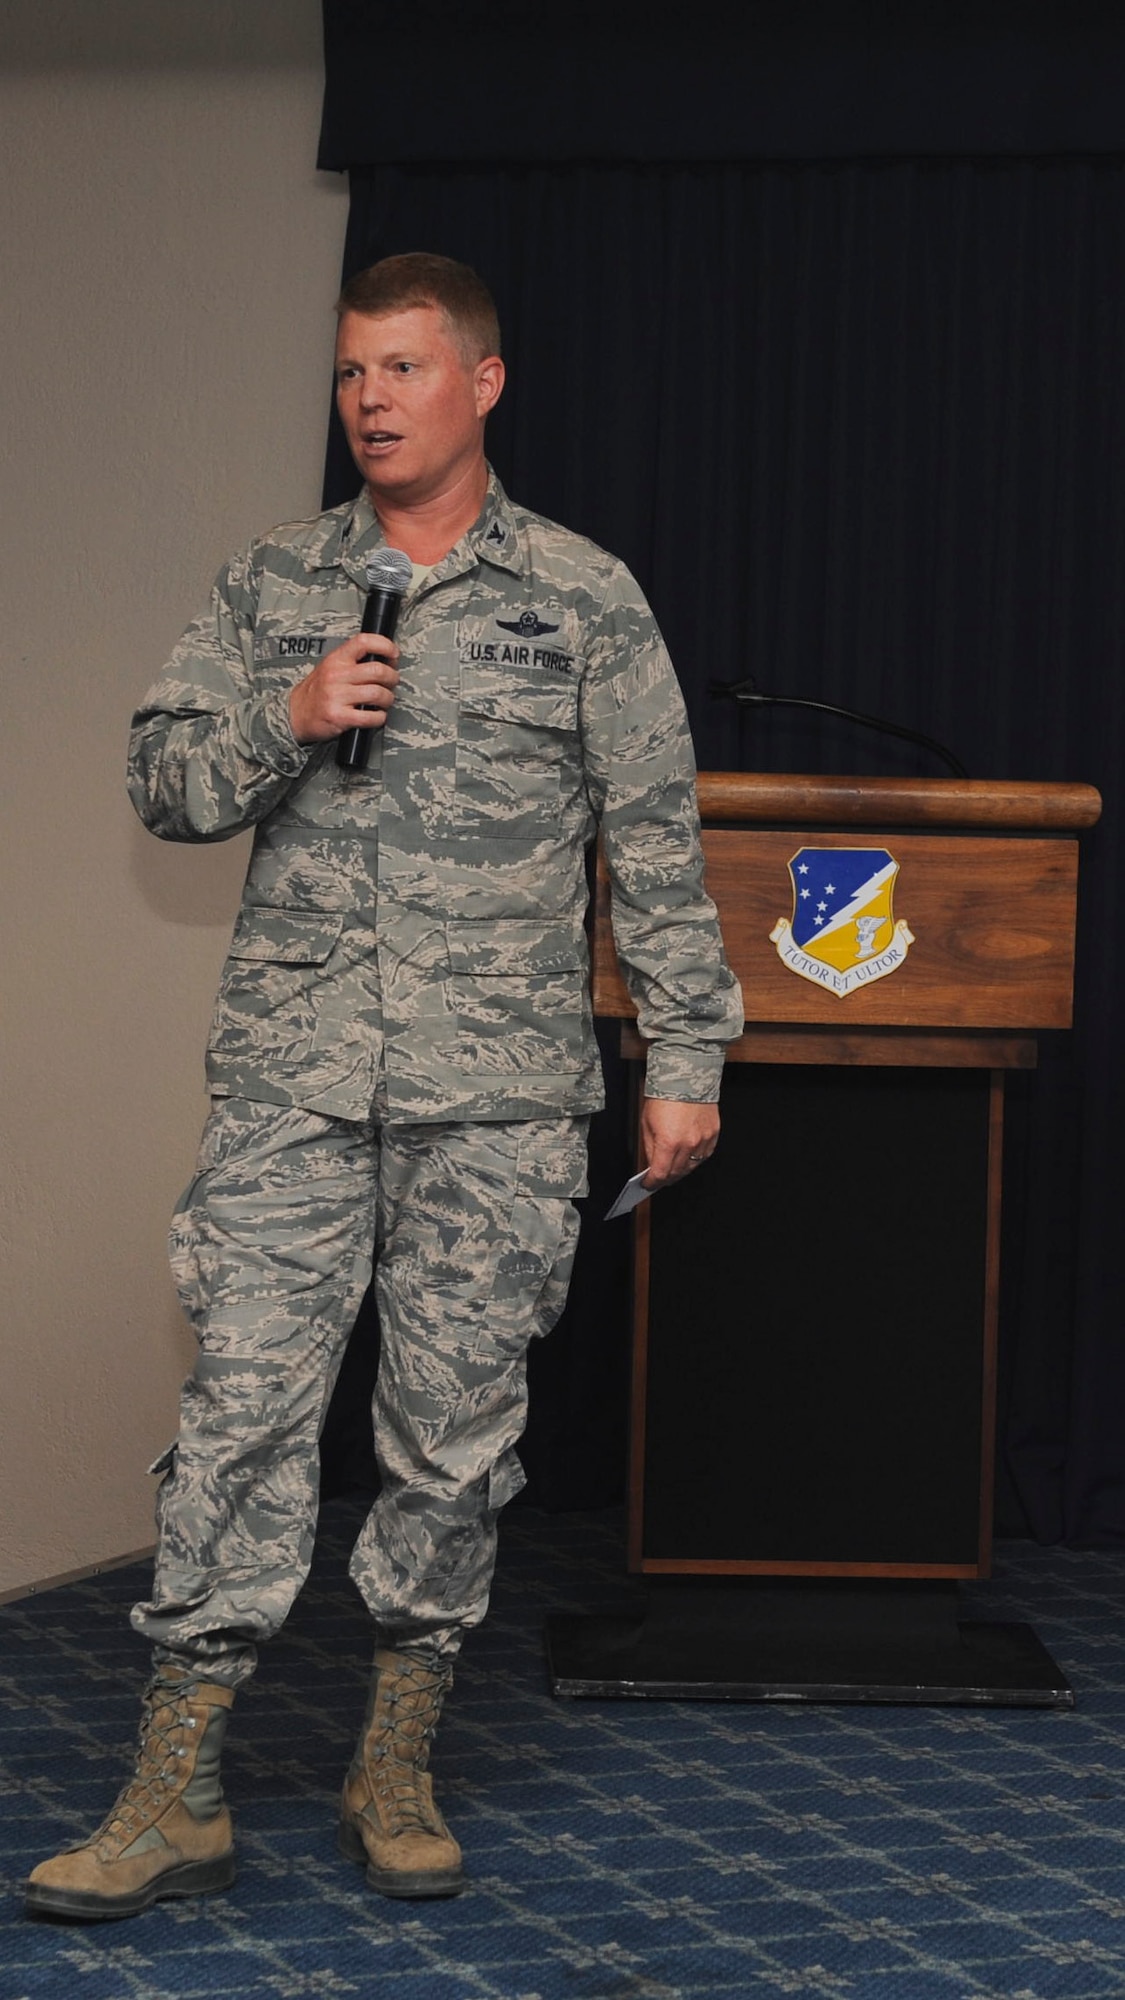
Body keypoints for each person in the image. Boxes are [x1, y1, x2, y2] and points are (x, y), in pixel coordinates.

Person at [26, 253, 744, 1921]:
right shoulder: (277, 581)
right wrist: (284, 713)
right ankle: (175, 1782)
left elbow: (652, 845)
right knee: (240, 1424)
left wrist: (684, 1055)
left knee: (451, 1436)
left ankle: (394, 1754)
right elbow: (162, 780)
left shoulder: (580, 595)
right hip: (292, 1084)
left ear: (479, 385)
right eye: (353, 371)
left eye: (403, 368)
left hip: (496, 1100)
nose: (369, 399)